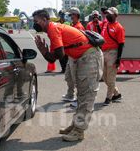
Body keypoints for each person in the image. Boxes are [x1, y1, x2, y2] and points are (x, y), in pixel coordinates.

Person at [32, 9, 103, 142]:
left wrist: (46, 52)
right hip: (82, 58)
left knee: (87, 95)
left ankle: (79, 131)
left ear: (45, 19)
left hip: (89, 57)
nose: (34, 24)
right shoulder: (52, 31)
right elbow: (53, 59)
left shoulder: (53, 29)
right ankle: (76, 125)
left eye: (36, 21)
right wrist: (44, 51)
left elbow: (59, 54)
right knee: (81, 95)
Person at [100, 7, 125, 106]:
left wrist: (118, 58)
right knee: (104, 76)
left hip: (113, 53)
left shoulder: (119, 27)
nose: (107, 15)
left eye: (110, 14)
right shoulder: (105, 24)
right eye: (107, 14)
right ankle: (117, 94)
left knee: (110, 78)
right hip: (103, 52)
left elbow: (121, 44)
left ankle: (108, 98)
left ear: (115, 15)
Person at [62, 7, 84, 102]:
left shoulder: (79, 27)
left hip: (76, 56)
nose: (70, 17)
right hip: (71, 56)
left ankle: (79, 98)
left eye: (71, 15)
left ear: (76, 15)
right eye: (70, 15)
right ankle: (70, 94)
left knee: (76, 78)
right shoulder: (72, 26)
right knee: (68, 76)